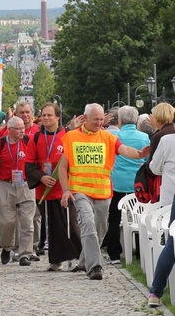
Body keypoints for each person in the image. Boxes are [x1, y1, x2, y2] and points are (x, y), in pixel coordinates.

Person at [58, 103, 150, 280]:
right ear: (85, 119)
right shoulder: (71, 137)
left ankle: (85, 260)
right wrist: (66, 190)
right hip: (80, 191)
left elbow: (124, 150)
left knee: (100, 229)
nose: (100, 123)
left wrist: (139, 154)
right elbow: (62, 167)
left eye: (101, 119)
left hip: (103, 192)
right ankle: (95, 267)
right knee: (88, 223)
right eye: (96, 120)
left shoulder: (108, 137)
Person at [25, 103, 82, 271]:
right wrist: (41, 177)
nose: (46, 118)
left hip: (66, 189)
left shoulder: (68, 136)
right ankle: (57, 259)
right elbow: (29, 164)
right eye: (44, 115)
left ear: (58, 117)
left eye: (50, 115)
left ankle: (77, 256)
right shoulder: (36, 138)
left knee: (70, 224)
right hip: (45, 189)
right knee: (52, 227)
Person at [0, 117, 36, 266]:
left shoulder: (29, 141)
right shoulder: (0, 143)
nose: (22, 130)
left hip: (26, 185)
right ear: (9, 130)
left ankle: (24, 254)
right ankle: (7, 247)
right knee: (6, 222)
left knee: (27, 222)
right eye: (18, 128)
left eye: (23, 127)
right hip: (6, 185)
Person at [105, 106, 149, 265]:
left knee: (114, 218)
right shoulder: (144, 137)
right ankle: (139, 252)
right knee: (140, 216)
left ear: (120, 120)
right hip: (138, 183)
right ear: (136, 120)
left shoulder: (113, 135)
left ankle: (114, 254)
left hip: (117, 183)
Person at [147, 132, 175, 307]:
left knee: (172, 243)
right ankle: (156, 292)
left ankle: (156, 293)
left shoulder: (167, 140)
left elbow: (154, 168)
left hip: (169, 197)